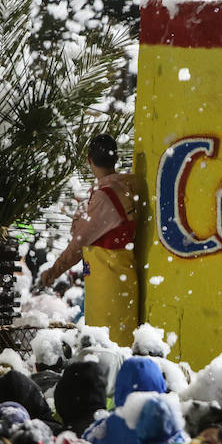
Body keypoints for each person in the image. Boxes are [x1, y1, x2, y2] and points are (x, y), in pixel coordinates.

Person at [40, 134, 141, 346]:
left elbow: (78, 243)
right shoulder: (131, 186)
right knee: (121, 341)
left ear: (89, 160)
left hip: (107, 284)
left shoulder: (104, 196)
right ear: (115, 159)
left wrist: (54, 271)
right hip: (124, 276)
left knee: (106, 344)